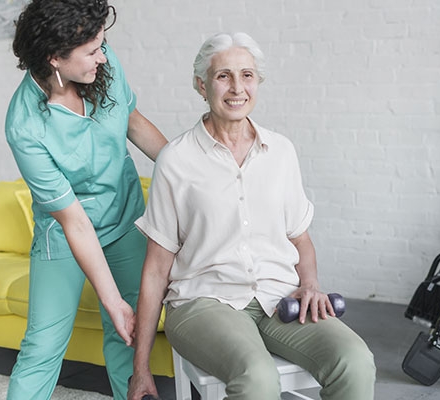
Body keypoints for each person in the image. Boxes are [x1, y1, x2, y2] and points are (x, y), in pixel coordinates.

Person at [128, 32, 375, 400]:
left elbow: (301, 239)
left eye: (247, 75)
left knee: (355, 360)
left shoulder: (281, 152)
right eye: (223, 75)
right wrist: (141, 367)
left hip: (280, 296)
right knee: (257, 377)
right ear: (202, 85)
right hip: (203, 302)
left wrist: (309, 285)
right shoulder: (176, 160)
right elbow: (155, 269)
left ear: (257, 82)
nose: (236, 87)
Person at [4, 1, 167, 399]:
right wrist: (111, 300)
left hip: (126, 218)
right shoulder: (25, 126)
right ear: (54, 58)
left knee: (129, 336)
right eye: (92, 50)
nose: (103, 55)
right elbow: (74, 221)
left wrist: (189, 172)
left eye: (102, 44)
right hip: (65, 235)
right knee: (42, 346)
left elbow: (132, 120)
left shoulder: (102, 66)